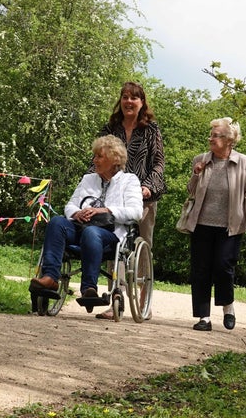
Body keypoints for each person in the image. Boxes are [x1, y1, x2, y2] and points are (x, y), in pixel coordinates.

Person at [30, 135, 143, 298]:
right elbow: (70, 205)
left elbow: (136, 212)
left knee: (92, 233)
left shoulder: (129, 180)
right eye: (94, 156)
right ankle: (50, 278)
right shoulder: (88, 179)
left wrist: (105, 210)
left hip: (110, 235)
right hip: (81, 227)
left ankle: (89, 288)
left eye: (99, 156)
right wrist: (77, 212)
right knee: (56, 222)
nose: (94, 160)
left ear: (114, 159)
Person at [91, 81, 166, 320]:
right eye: (125, 97)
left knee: (142, 244)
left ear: (142, 102)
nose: (128, 102)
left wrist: (147, 187)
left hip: (143, 198)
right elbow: (98, 157)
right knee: (116, 244)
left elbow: (158, 164)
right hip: (113, 196)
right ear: (120, 101)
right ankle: (116, 298)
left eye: (134, 98)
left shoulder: (151, 129)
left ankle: (143, 299)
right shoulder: (110, 127)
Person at [180, 117, 246, 331]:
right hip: (201, 224)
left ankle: (228, 306)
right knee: (201, 270)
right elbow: (191, 191)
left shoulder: (245, 162)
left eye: (216, 135)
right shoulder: (201, 159)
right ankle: (203, 317)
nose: (211, 138)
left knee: (224, 267)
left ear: (229, 140)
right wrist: (196, 174)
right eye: (211, 135)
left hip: (230, 226)